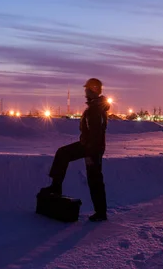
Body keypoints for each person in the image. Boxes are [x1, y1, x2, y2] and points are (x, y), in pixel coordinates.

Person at [40, 78, 110, 222]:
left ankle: (101, 212)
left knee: (94, 178)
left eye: (87, 89)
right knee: (63, 154)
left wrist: (91, 154)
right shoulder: (95, 106)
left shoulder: (96, 109)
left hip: (92, 148)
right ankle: (56, 187)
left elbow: (96, 134)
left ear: (93, 90)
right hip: (88, 146)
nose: (85, 91)